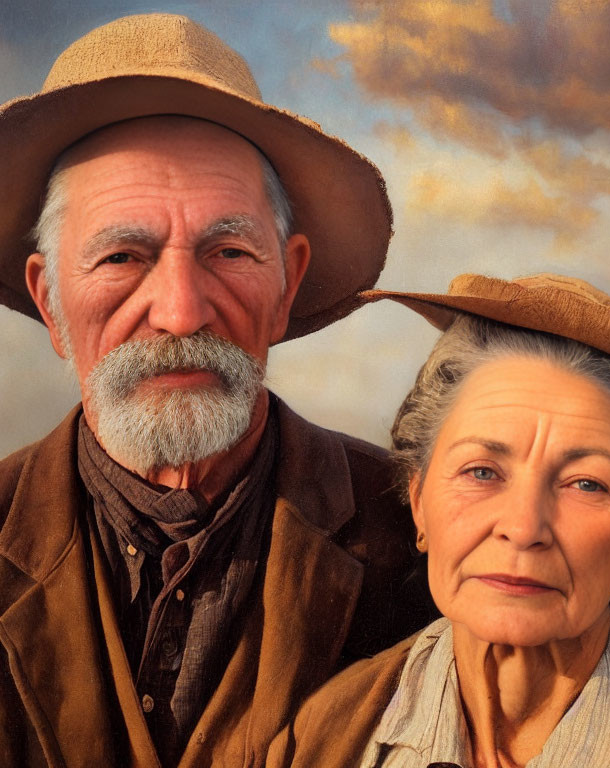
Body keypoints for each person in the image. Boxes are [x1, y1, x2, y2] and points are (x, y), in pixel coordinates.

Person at [0, 14, 433, 768]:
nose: (181, 311)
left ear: (287, 282)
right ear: (50, 301)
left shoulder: (429, 544)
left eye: (229, 250)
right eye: (122, 256)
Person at [266, 273, 610, 768]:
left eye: (586, 483)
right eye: (481, 471)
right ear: (419, 504)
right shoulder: (322, 738)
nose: (524, 528)